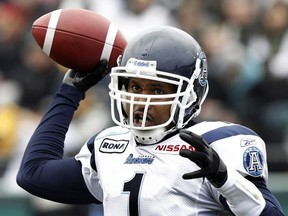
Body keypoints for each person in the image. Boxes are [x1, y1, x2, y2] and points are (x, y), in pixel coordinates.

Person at [17, 26, 284, 215]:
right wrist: (70, 92)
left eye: (156, 91)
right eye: (134, 87)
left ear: (189, 95)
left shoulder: (217, 144)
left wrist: (226, 181)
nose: (140, 100)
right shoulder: (110, 145)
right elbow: (33, 175)